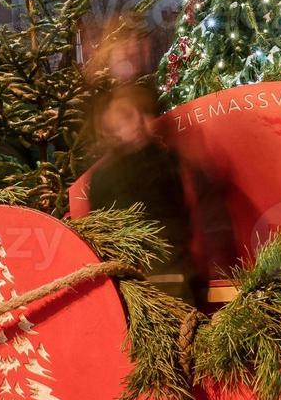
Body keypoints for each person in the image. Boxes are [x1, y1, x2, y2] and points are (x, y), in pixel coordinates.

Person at [83, 83, 197, 304]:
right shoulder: (106, 176)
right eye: (126, 117)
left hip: (170, 273)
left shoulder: (164, 162)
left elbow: (181, 216)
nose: (137, 121)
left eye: (140, 113)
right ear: (109, 128)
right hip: (136, 278)